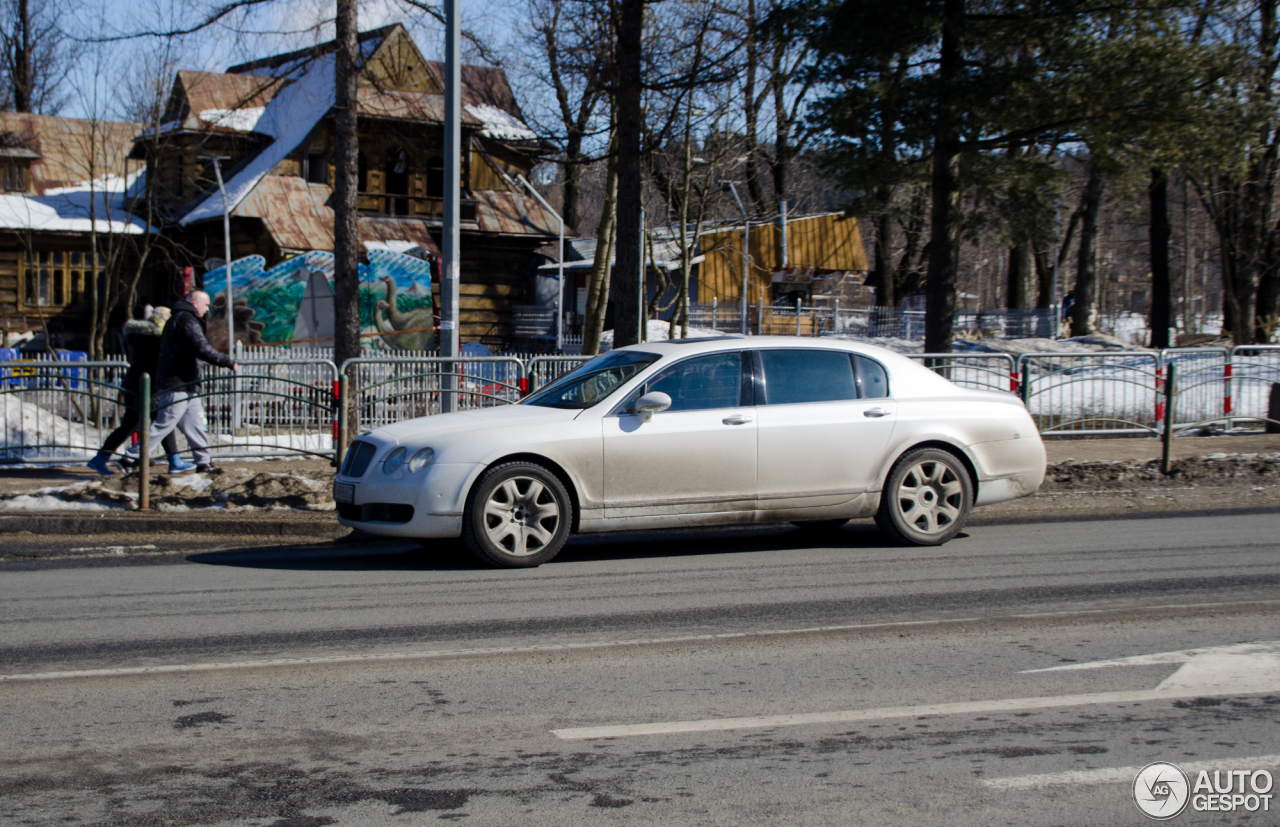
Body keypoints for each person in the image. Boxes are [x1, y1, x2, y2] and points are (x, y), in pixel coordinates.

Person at [120, 290, 237, 473]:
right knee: (164, 423)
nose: (207, 310)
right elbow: (200, 346)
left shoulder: (181, 317)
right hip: (177, 381)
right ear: (195, 302)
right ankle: (130, 458)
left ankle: (203, 462)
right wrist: (227, 361)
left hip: (187, 381)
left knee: (196, 424)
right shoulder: (185, 319)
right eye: (206, 305)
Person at [86, 307, 193, 476]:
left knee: (154, 422)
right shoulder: (152, 339)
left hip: (137, 385)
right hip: (145, 387)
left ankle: (173, 460)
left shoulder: (140, 336)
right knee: (151, 423)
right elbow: (152, 365)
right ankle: (107, 458)